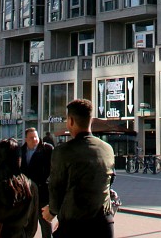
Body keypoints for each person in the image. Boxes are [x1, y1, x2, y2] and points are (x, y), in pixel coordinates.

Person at [42, 98, 115, 237]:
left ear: (71, 121)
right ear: (90, 120)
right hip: (104, 224)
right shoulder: (107, 149)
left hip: (75, 225)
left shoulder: (63, 151)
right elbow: (110, 180)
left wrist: (52, 211)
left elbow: (56, 187)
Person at [19, 128, 54, 238]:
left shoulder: (47, 149)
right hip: (26, 193)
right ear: (26, 139)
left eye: (36, 137)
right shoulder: (21, 151)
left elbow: (54, 169)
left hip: (42, 192)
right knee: (26, 222)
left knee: (45, 222)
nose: (34, 140)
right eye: (31, 138)